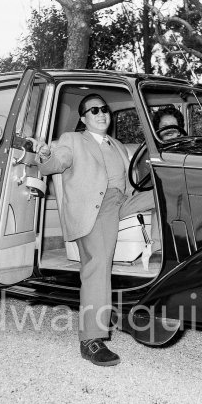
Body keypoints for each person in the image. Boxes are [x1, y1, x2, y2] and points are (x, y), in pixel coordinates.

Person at [34, 94, 155, 367]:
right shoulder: (72, 140)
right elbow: (55, 162)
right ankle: (91, 339)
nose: (102, 114)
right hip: (95, 208)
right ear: (83, 118)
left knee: (169, 194)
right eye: (94, 110)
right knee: (98, 264)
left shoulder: (118, 145)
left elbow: (129, 184)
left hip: (121, 201)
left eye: (105, 110)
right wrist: (44, 153)